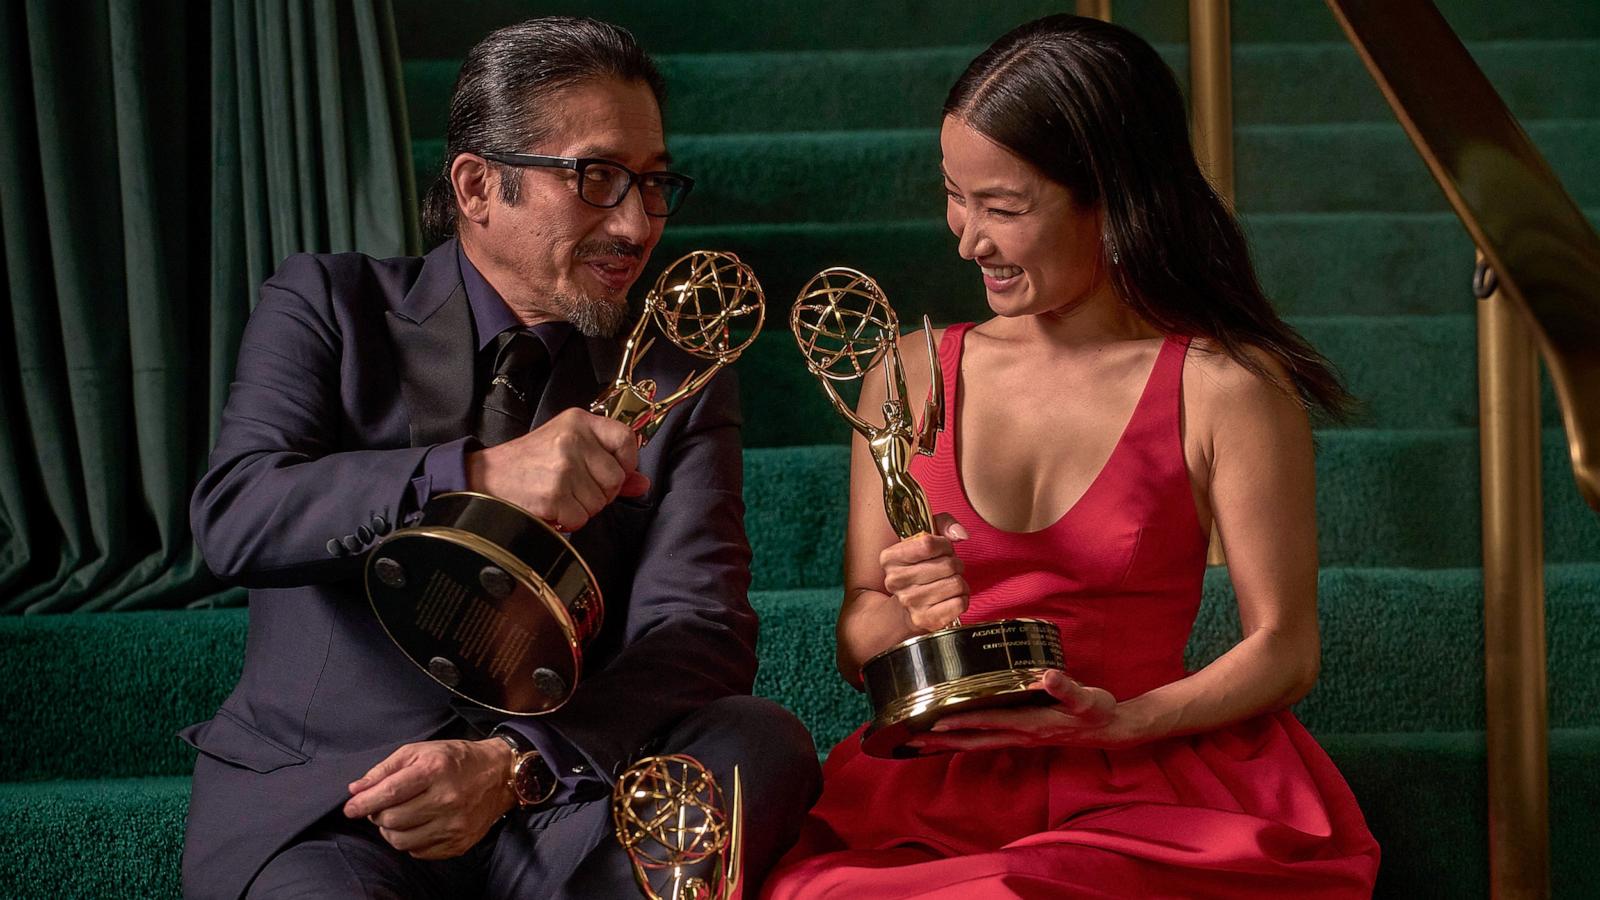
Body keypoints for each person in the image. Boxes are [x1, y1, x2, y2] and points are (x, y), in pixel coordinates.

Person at [181, 17, 819, 900]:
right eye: (597, 179)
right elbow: (237, 514)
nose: (637, 223)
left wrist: (512, 764)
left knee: (762, 738)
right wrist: (477, 474)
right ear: (480, 185)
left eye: (653, 184)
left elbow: (699, 629)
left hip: (560, 801)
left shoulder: (681, 376)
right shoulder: (328, 304)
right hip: (338, 806)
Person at [763, 14, 1379, 899]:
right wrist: (908, 616)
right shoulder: (904, 373)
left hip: (1148, 776)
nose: (966, 238)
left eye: (1004, 208)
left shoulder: (1226, 387)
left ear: (1115, 197)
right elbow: (859, 631)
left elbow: (1285, 647)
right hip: (938, 792)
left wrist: (1121, 724)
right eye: (954, 195)